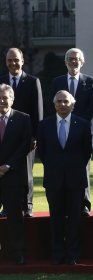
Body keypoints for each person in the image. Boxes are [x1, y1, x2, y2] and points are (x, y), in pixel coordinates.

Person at [37, 90, 92, 265]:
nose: (62, 104)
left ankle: (73, 255)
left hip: (75, 180)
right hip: (53, 180)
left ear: (72, 104)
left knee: (75, 219)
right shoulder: (44, 125)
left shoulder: (83, 124)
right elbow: (42, 153)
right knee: (56, 219)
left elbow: (86, 152)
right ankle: (58, 254)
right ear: (54, 104)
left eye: (66, 101)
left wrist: (72, 167)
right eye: (59, 101)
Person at [48, 48, 93, 217]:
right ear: (65, 62)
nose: (73, 61)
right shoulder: (57, 81)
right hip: (61, 128)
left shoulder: (90, 82)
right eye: (70, 59)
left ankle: (84, 203)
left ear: (82, 62)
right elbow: (53, 105)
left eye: (76, 59)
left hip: (81, 132)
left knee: (83, 166)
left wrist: (77, 125)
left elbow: (91, 107)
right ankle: (65, 201)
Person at [0, 47, 43, 218]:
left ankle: (28, 205)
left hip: (26, 136)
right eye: (10, 60)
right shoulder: (1, 81)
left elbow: (37, 111)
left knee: (26, 173)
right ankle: (6, 205)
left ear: (22, 61)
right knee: (5, 172)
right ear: (6, 62)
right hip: (5, 135)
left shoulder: (33, 82)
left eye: (16, 60)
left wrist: (35, 136)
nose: (13, 63)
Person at [0, 83, 31, 264]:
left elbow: (25, 145)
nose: (2, 100)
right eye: (0, 97)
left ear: (12, 99)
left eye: (5, 97)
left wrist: (8, 166)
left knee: (14, 217)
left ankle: (17, 253)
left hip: (13, 175)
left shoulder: (23, 118)